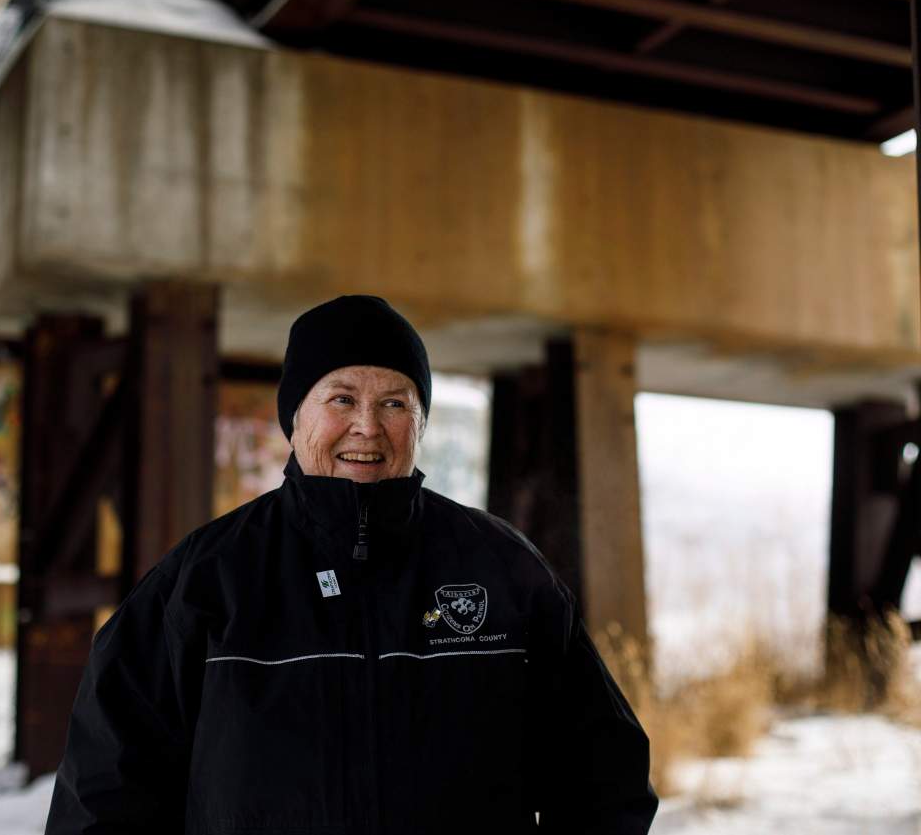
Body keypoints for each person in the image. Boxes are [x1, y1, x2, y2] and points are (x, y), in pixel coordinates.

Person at [45, 295, 658, 834]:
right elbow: (105, 798)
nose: (368, 426)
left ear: (419, 423)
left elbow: (604, 778)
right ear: (295, 417)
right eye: (342, 398)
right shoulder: (205, 580)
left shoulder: (503, 571)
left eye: (394, 402)